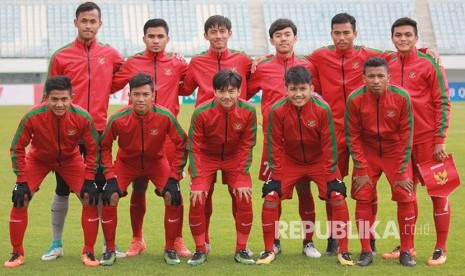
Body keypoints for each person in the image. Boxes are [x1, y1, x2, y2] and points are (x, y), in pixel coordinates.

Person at [43, 1, 125, 260]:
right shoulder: (61, 56)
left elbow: (128, 75)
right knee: (63, 188)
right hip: (66, 133)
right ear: (75, 22)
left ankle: (106, 245)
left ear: (100, 24)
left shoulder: (111, 54)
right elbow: (50, 96)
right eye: (84, 20)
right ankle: (56, 243)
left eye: (93, 21)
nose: (88, 25)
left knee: (100, 189)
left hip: (98, 132)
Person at [256, 66, 353, 266]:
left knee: (337, 194)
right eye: (293, 89)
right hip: (290, 161)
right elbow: (274, 144)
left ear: (311, 88)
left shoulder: (322, 108)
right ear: (286, 89)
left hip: (319, 161)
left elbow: (329, 144)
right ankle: (269, 249)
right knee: (271, 195)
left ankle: (343, 251)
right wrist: (275, 174)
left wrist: (331, 175)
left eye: (302, 89)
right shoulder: (277, 110)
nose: (298, 94)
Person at [111, 18, 191, 258]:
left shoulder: (177, 63)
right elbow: (110, 83)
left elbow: (188, 86)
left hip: (166, 138)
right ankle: (137, 239)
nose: (156, 41)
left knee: (173, 190)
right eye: (151, 37)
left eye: (160, 37)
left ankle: (177, 240)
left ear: (167, 39)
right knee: (138, 187)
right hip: (136, 136)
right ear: (143, 38)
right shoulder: (133, 62)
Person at [5, 76, 102, 268]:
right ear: (46, 97)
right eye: (54, 99)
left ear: (71, 97)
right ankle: (17, 253)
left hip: (70, 160)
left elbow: (94, 149)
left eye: (64, 99)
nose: (59, 104)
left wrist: (90, 178)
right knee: (20, 198)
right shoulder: (32, 116)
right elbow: (16, 148)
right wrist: (21, 180)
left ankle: (88, 251)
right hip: (38, 159)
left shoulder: (82, 117)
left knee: (89, 197)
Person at [247, 18, 320, 258]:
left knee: (304, 191)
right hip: (273, 142)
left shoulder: (309, 66)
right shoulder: (263, 67)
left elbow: (317, 97)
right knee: (272, 192)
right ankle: (274, 242)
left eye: (287, 34)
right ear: (271, 40)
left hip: (304, 141)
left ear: (295, 37)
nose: (283, 39)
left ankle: (308, 242)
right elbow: (242, 91)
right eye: (278, 35)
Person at [181, 15, 253, 254]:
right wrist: (174, 65)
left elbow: (251, 83)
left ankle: (242, 247)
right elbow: (184, 87)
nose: (218, 36)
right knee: (202, 195)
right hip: (206, 133)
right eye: (213, 32)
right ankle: (204, 243)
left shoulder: (242, 59)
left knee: (241, 195)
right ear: (206, 36)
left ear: (230, 34)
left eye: (223, 31)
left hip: (234, 133)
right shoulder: (198, 61)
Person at [382, 17, 451, 266]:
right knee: (405, 195)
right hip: (398, 144)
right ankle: (407, 248)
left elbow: (442, 101)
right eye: (398, 35)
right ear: (392, 38)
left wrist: (440, 139)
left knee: (438, 192)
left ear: (416, 38)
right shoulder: (386, 62)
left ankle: (440, 248)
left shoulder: (429, 64)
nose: (403, 39)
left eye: (408, 35)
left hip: (427, 141)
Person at [100, 73, 188, 265]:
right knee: (110, 196)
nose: (141, 99)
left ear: (153, 95)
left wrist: (174, 176)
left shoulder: (164, 116)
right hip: (126, 163)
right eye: (137, 94)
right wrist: (109, 176)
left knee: (173, 196)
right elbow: (104, 146)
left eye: (145, 94)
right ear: (129, 95)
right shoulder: (118, 119)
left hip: (156, 162)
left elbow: (182, 143)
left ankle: (170, 248)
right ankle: (111, 248)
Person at [345, 57, 416, 267]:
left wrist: (402, 170)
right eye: (371, 76)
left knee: (406, 197)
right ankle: (366, 250)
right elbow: (353, 135)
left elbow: (406, 135)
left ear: (388, 78)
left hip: (395, 152)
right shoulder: (355, 99)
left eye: (380, 76)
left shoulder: (402, 97)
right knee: (363, 197)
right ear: (363, 78)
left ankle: (406, 250)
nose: (376, 80)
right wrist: (360, 167)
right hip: (367, 152)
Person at [187, 70, 256, 266]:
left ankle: (242, 248)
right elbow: (194, 146)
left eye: (231, 91)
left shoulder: (248, 111)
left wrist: (242, 177)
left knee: (244, 196)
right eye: (221, 91)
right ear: (214, 92)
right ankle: (200, 249)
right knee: (198, 199)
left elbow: (247, 145)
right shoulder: (201, 112)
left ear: (239, 91)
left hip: (235, 158)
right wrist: (197, 179)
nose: (227, 96)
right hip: (207, 157)